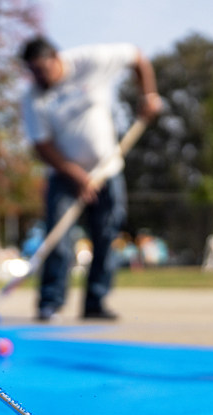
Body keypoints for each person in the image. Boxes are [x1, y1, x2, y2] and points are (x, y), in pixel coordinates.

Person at [19, 35, 161, 321]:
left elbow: (136, 56)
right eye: (32, 72)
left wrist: (148, 95)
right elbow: (42, 145)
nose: (38, 77)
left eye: (42, 69)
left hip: (107, 169)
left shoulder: (91, 61)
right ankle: (51, 302)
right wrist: (77, 177)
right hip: (64, 175)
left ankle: (96, 302)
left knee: (107, 236)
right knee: (58, 238)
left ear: (56, 58)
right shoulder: (32, 97)